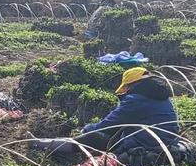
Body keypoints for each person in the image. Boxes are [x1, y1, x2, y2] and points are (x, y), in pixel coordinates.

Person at [34, 67, 181, 159]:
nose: (126, 90)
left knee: (90, 137)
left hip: (147, 144)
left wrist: (86, 129)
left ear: (133, 85)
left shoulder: (135, 101)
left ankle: (41, 144)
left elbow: (108, 125)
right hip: (167, 141)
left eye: (127, 87)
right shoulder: (161, 97)